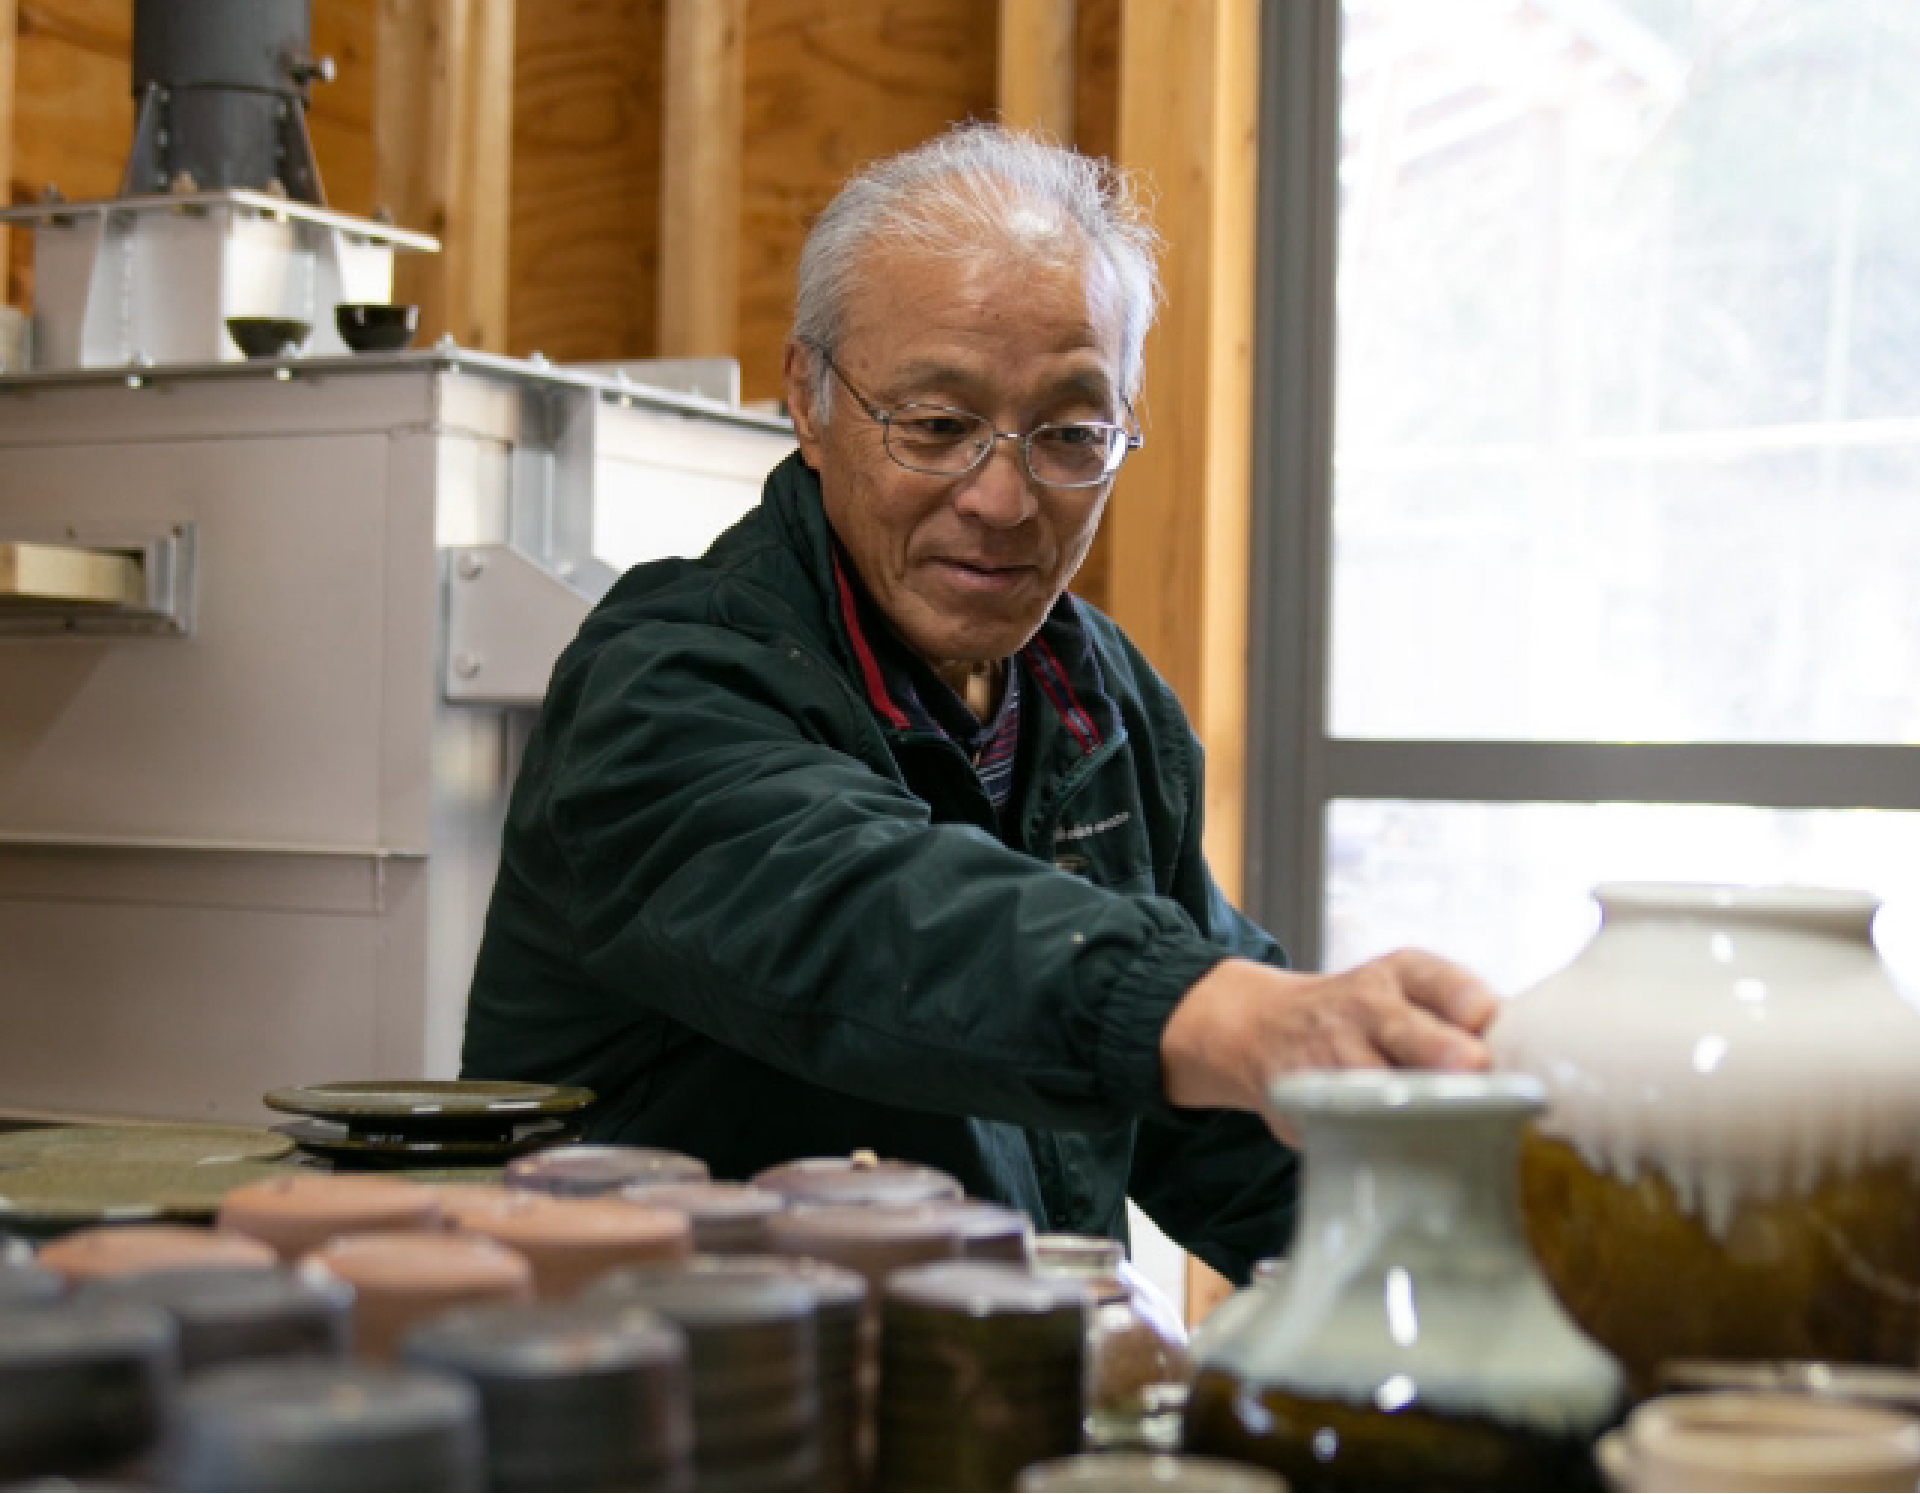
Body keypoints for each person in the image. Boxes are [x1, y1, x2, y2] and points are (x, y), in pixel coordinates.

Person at [462, 125, 1493, 1284]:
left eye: (1068, 434)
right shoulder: (663, 687)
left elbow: (1221, 1132)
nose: (1004, 499)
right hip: (678, 1415)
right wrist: (1229, 1013)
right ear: (809, 397)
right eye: (940, 426)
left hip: (993, 1400)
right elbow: (880, 915)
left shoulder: (1098, 705)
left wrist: (1476, 1227)